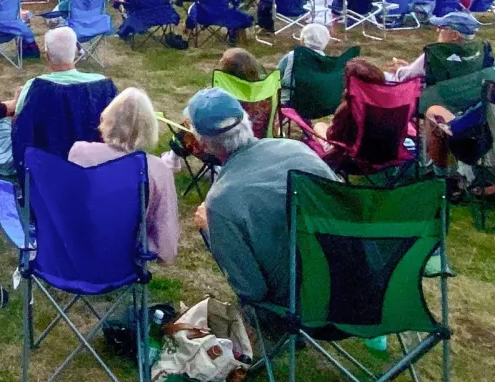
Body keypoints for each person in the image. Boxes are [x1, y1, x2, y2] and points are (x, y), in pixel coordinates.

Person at [187, 89, 336, 307]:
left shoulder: (220, 202)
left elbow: (251, 290)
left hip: (303, 306)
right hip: (359, 286)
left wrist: (211, 229)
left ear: (204, 143)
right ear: (246, 121)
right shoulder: (297, 149)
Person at [68, 88, 180, 263]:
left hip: (75, 247)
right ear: (149, 128)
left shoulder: (79, 152)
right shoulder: (157, 170)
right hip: (124, 258)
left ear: (107, 118)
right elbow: (166, 245)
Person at [14, 26, 107, 116]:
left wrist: (17, 102)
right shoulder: (102, 83)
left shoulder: (32, 87)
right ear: (75, 52)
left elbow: (19, 126)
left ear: (47, 56)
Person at [389, 11, 493, 83]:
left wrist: (399, 69)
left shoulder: (436, 55)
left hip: (433, 103)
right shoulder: (479, 52)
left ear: (455, 35)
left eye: (442, 27)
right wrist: (413, 66)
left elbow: (404, 76)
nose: (437, 30)